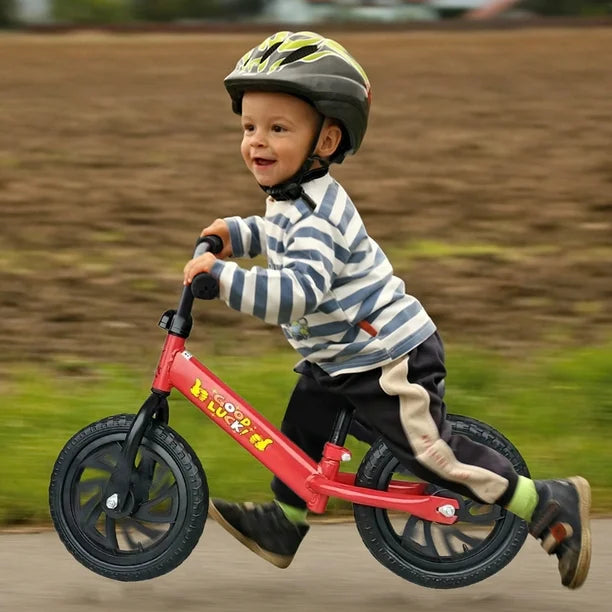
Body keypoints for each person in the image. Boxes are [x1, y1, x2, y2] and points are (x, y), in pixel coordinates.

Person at [183, 31, 591, 589]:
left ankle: (547, 502)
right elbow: (276, 233)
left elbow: (297, 289)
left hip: (387, 356)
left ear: (326, 140)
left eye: (278, 129)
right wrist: (237, 234)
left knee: (433, 457)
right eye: (249, 127)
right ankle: (286, 523)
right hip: (341, 354)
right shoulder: (292, 200)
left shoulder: (320, 217)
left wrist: (223, 279)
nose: (257, 141)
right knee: (302, 428)